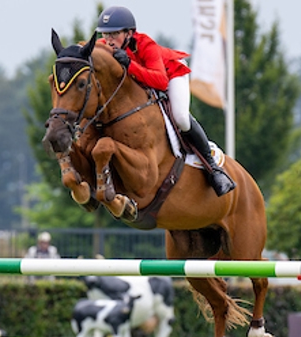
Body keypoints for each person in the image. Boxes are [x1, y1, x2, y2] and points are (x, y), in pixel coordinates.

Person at [96, 6, 235, 197]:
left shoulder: (146, 45)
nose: (109, 40)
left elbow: (160, 82)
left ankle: (213, 169)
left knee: (181, 118)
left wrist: (129, 64)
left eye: (114, 34)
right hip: (144, 82)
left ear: (129, 33)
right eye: (105, 34)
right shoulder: (105, 47)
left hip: (171, 75)